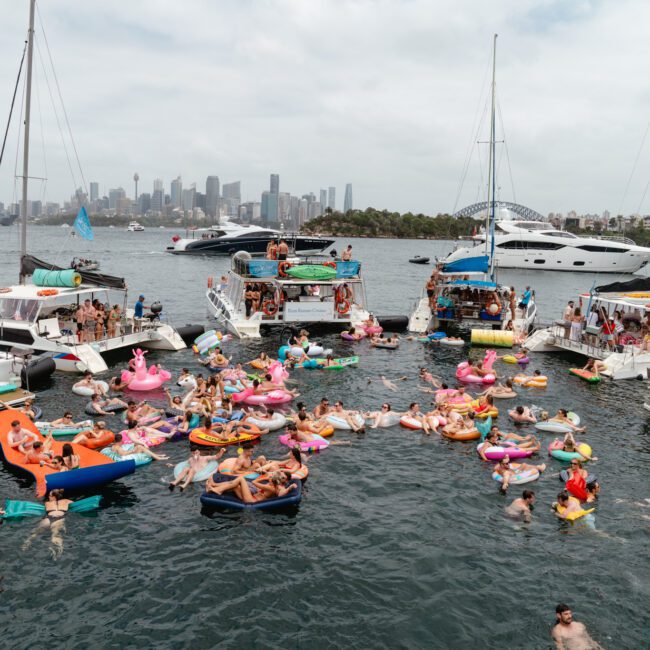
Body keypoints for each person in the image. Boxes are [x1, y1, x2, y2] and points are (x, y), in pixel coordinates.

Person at [22, 489, 73, 558]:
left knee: (35, 533)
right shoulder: (66, 501)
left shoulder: (47, 503)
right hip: (59, 519)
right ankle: (57, 553)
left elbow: (45, 510)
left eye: (50, 495)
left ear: (54, 497)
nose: (48, 497)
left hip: (47, 519)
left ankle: (26, 543)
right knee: (55, 536)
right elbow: (76, 504)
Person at [205, 470, 298, 504]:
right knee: (235, 484)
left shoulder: (273, 487)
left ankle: (216, 489)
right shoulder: (274, 486)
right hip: (251, 496)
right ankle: (215, 486)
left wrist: (290, 488)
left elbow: (282, 493)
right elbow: (281, 491)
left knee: (241, 479)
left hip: (251, 500)